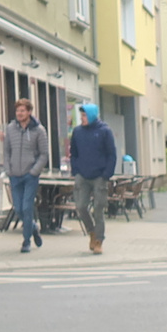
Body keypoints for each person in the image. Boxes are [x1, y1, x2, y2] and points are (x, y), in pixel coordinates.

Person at [3, 99, 49, 253]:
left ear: (29, 112)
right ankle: (33, 227)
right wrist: (8, 169)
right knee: (18, 208)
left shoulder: (39, 130)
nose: (19, 114)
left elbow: (44, 154)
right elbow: (6, 151)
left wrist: (34, 171)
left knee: (27, 207)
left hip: (30, 176)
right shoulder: (10, 129)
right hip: (14, 175)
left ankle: (26, 241)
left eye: (22, 111)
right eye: (17, 111)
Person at [70, 103, 116, 254]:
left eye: (84, 115)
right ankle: (92, 232)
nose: (82, 118)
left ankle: (99, 241)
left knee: (98, 208)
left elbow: (111, 154)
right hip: (82, 175)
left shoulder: (104, 131)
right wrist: (75, 170)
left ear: (91, 115)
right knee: (81, 207)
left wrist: (106, 174)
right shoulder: (77, 132)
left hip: (99, 176)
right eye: (81, 116)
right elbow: (74, 153)